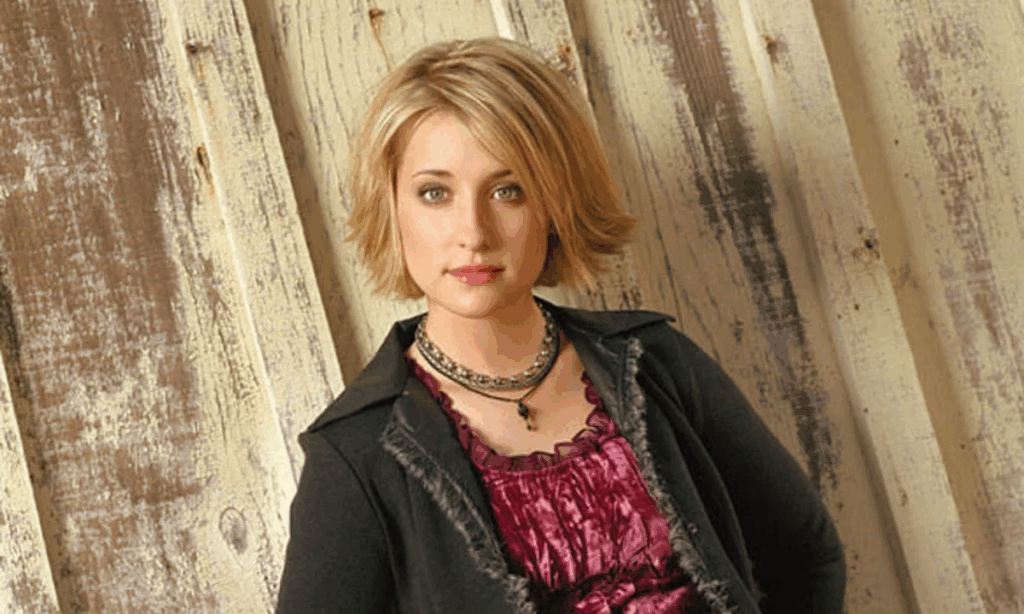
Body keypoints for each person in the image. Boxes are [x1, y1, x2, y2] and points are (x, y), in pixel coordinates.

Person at [276, 37, 845, 614]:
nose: (472, 232)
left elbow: (806, 556)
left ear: (554, 203)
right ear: (392, 206)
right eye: (435, 193)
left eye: (508, 191)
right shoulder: (356, 453)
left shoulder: (655, 362)